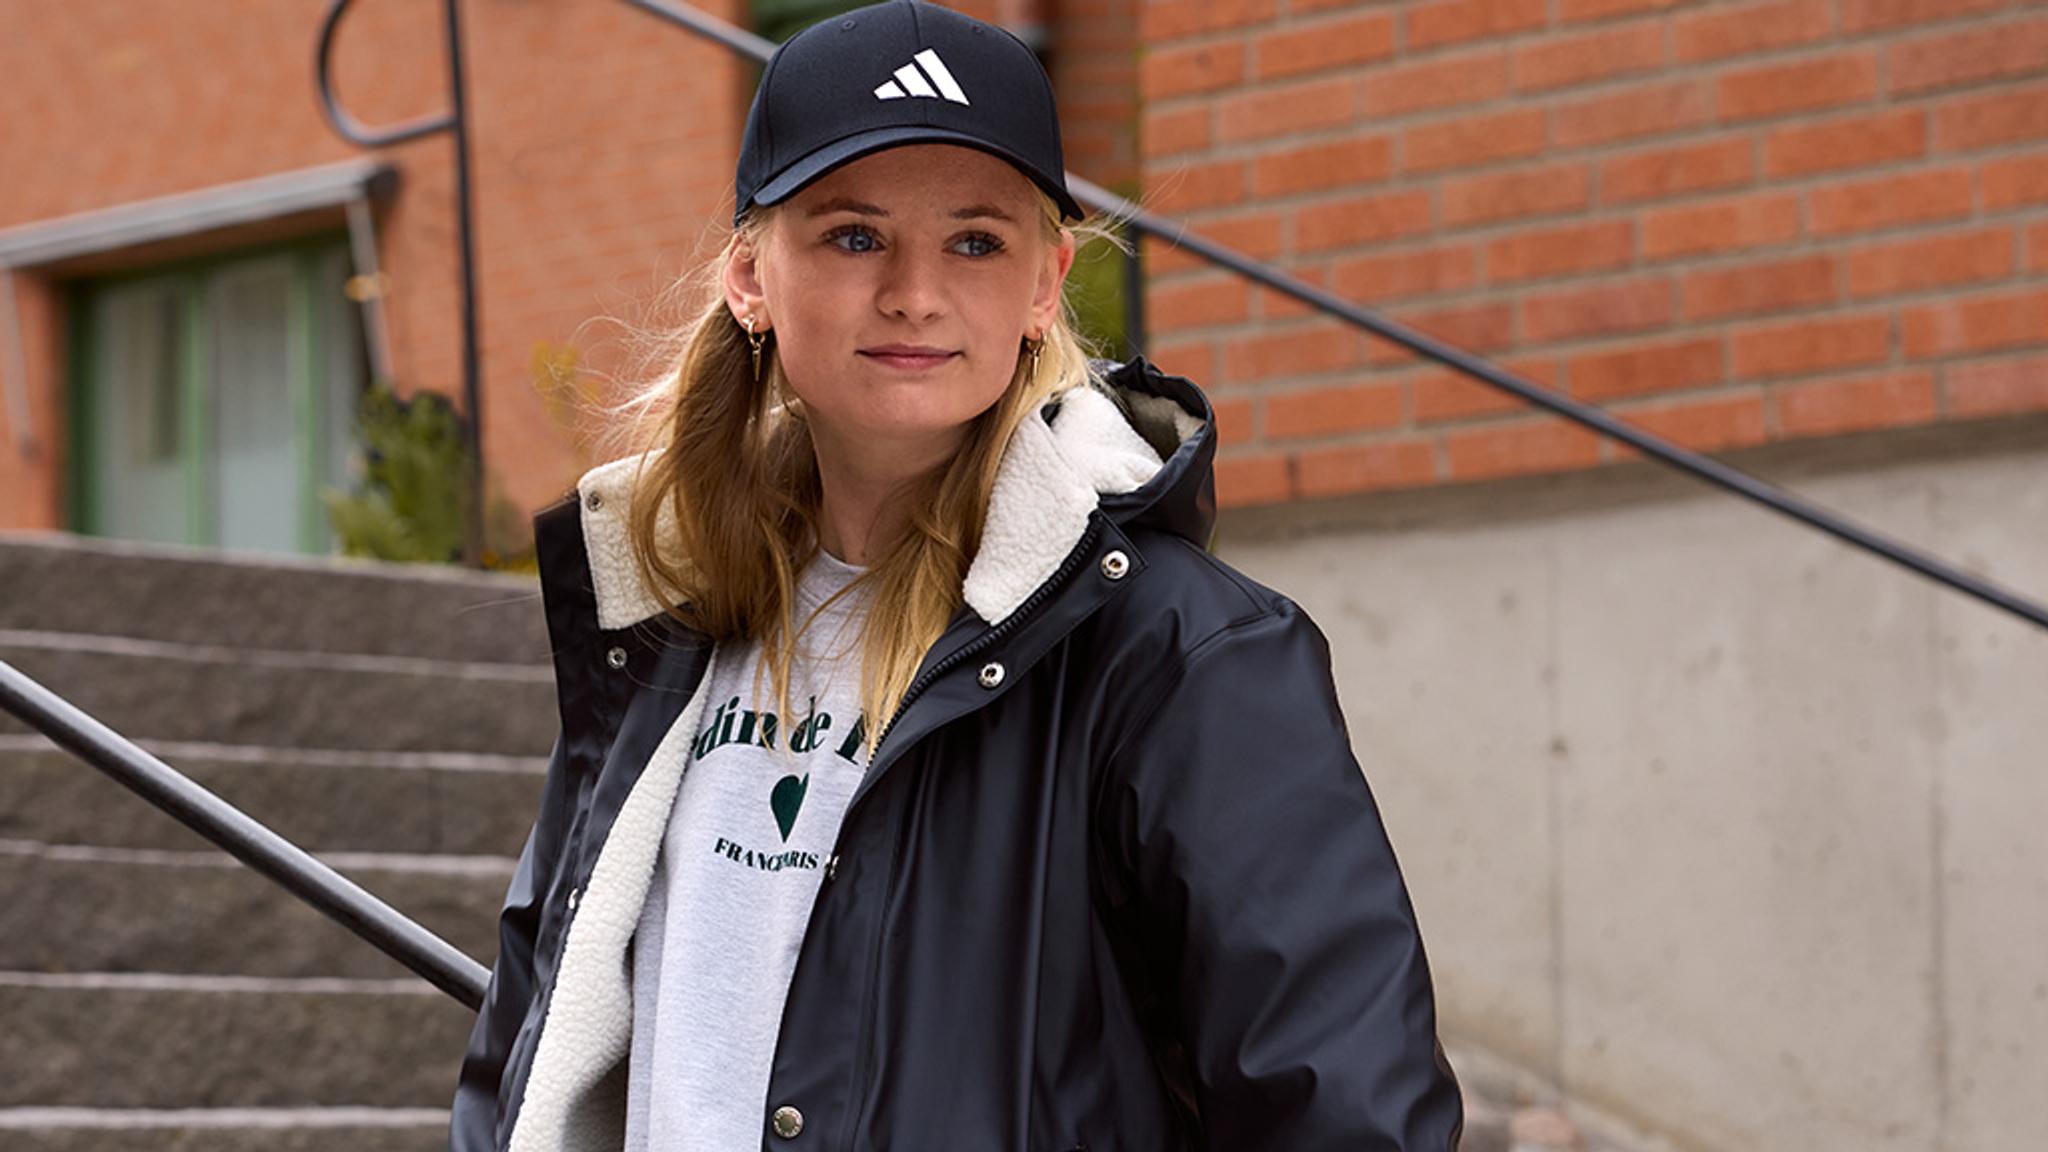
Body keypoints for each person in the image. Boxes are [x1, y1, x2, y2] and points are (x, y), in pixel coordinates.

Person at [449, 2, 1463, 1149]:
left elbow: (1344, 1110)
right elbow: (532, 1032)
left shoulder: (1180, 653)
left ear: (1043, 285)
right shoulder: (663, 616)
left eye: (975, 242)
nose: (915, 294)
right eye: (852, 236)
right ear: (748, 276)